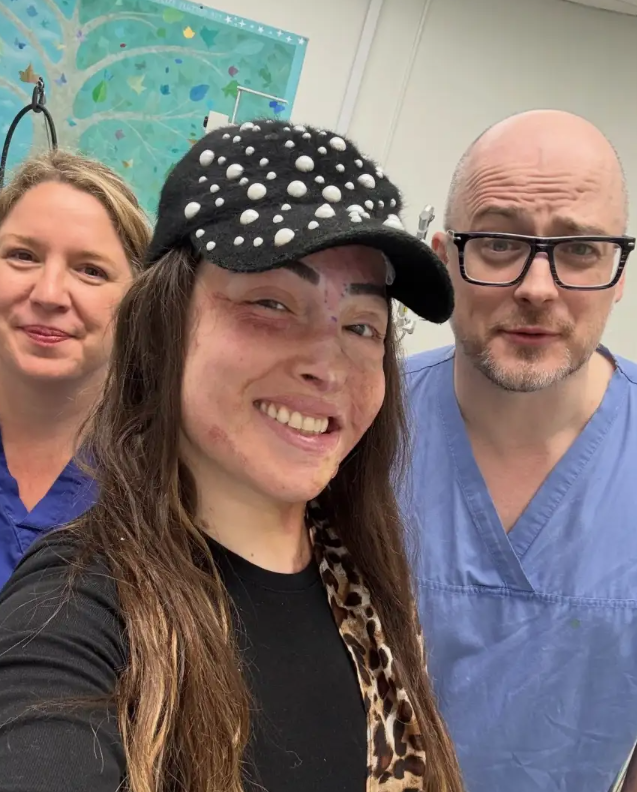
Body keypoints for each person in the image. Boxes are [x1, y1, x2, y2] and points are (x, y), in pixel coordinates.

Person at [0, 120, 464, 792]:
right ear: (163, 325)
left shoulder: (370, 589)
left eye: (361, 325)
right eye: (271, 303)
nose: (327, 362)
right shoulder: (75, 608)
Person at [402, 109, 637, 792]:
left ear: (618, 271)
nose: (537, 288)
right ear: (444, 260)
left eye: (580, 249)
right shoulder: (357, 425)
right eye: (499, 242)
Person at [0, 149, 151, 588]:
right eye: (23, 256)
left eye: (90, 271)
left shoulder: (166, 483)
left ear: (136, 300)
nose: (48, 294)